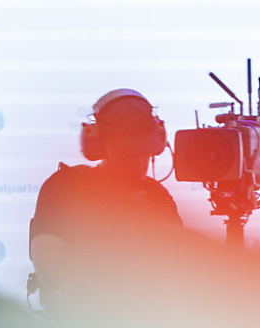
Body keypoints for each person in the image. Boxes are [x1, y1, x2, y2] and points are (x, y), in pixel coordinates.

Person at [29, 88, 182, 306]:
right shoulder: (66, 188)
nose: (138, 162)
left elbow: (179, 269)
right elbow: (50, 268)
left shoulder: (159, 198)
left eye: (144, 152)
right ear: (100, 146)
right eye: (126, 153)